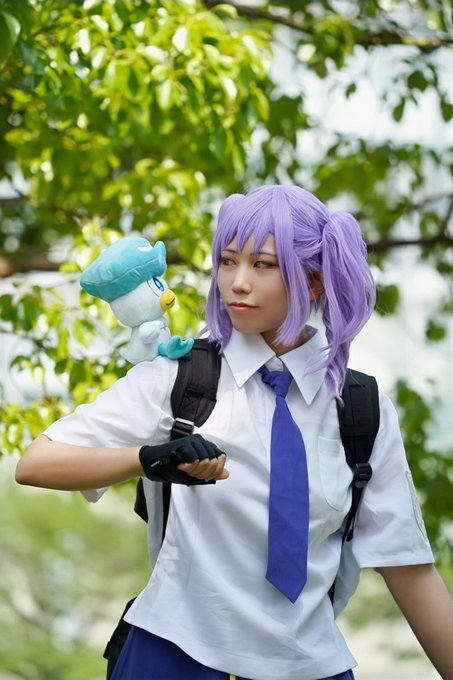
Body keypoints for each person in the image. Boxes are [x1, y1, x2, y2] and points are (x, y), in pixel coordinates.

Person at [16, 185, 453, 680]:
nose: (237, 283)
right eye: (227, 261)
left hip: (312, 666)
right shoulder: (182, 378)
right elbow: (36, 463)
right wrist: (148, 459)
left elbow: (408, 567)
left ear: (314, 281)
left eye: (263, 265)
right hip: (172, 656)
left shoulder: (360, 409)